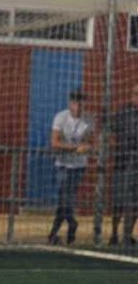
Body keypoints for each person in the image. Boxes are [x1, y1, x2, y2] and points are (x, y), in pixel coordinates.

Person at [49, 89, 94, 245]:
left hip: (78, 165)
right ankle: (70, 224)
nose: (78, 105)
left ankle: (54, 233)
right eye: (75, 102)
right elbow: (54, 142)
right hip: (62, 163)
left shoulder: (88, 120)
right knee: (64, 198)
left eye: (81, 102)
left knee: (65, 198)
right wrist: (75, 148)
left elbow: (88, 142)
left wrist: (86, 147)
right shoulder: (61, 117)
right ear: (70, 103)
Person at [109, 83, 138, 246]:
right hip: (122, 163)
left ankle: (127, 235)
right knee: (118, 202)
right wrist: (117, 147)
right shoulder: (122, 112)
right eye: (136, 94)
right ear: (131, 94)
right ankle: (114, 233)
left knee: (135, 203)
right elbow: (111, 134)